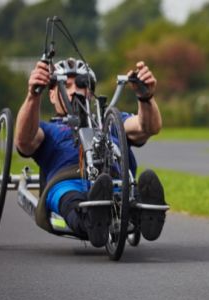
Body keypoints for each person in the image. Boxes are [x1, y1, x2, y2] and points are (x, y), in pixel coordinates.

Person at [15, 57, 166, 247]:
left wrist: (146, 98)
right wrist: (33, 95)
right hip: (68, 182)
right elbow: (24, 141)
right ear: (52, 95)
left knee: (130, 194)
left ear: (91, 93)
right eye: (65, 85)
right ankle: (91, 220)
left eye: (81, 84)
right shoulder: (48, 130)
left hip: (114, 181)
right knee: (70, 199)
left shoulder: (109, 121)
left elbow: (147, 127)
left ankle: (144, 211)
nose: (74, 91)